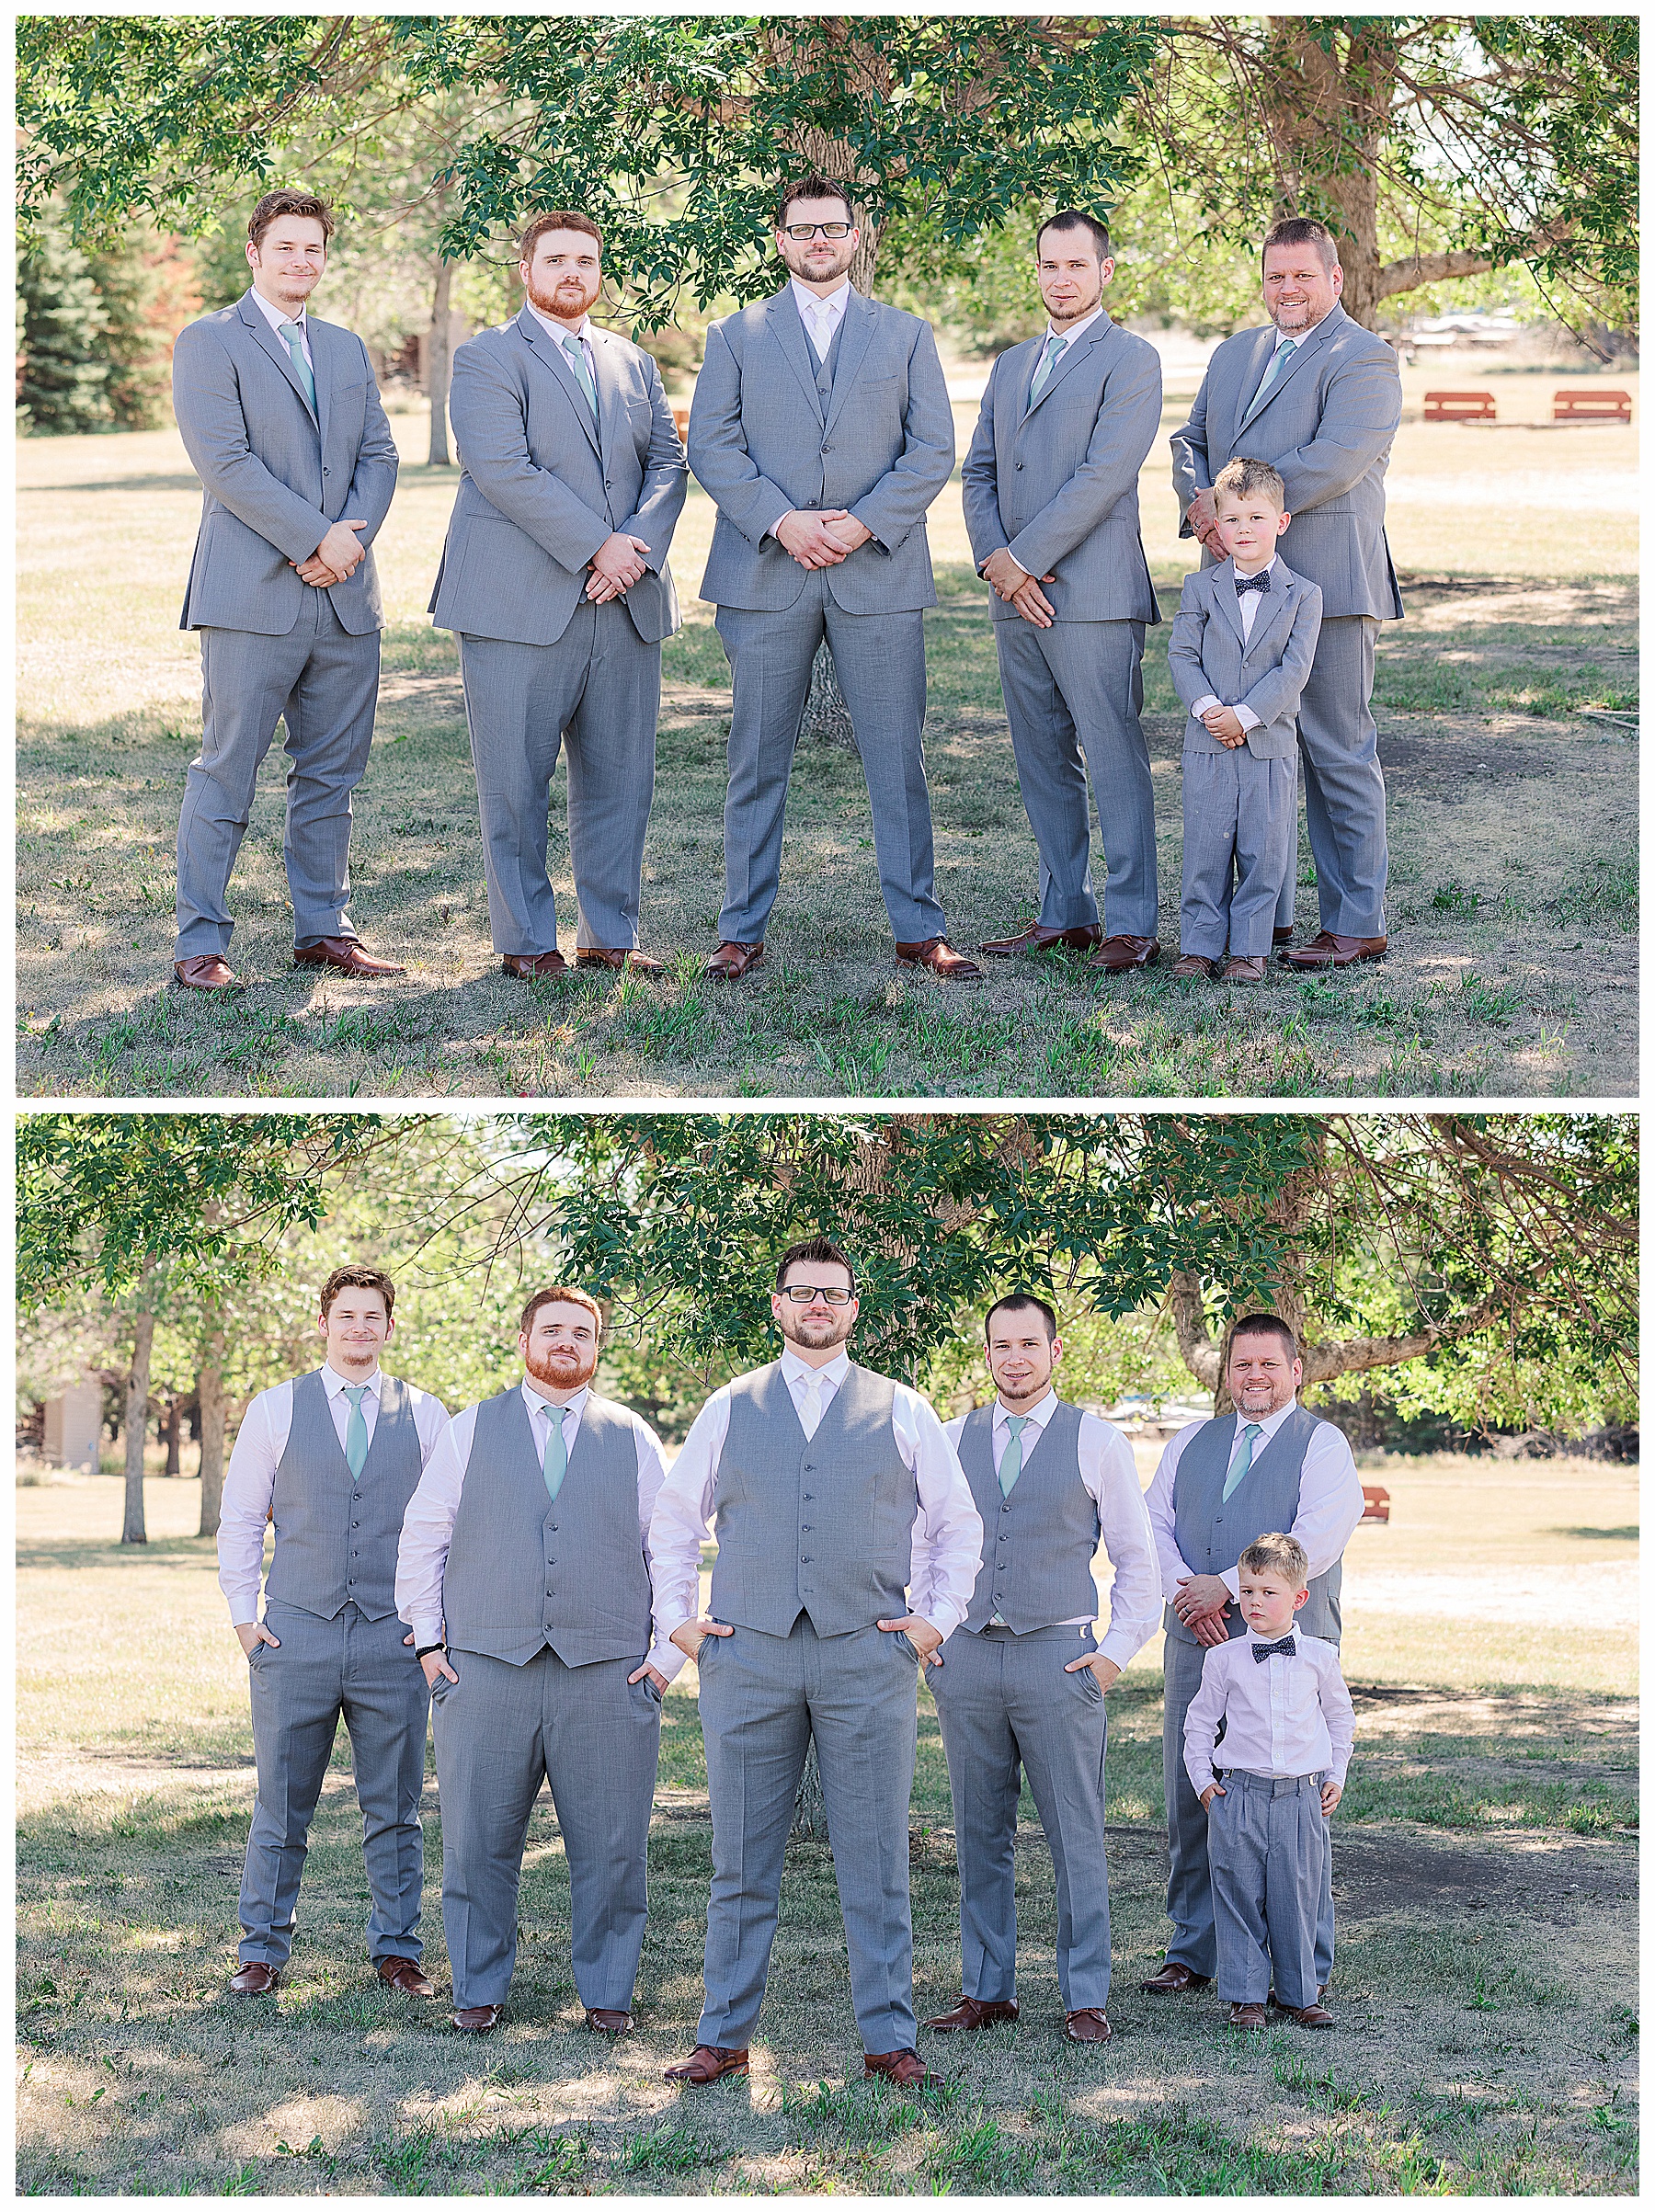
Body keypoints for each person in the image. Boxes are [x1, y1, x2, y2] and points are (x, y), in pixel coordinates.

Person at [651, 1237, 983, 2090]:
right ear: (778, 1306)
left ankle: (888, 2038)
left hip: (866, 1658)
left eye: (832, 1294)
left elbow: (958, 1526)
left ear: (854, 1308)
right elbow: (673, 1520)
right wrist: (678, 1623)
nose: (818, 1307)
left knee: (875, 1856)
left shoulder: (903, 1409)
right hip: (747, 1656)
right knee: (741, 1857)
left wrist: (933, 1624)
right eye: (802, 1293)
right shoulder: (729, 1405)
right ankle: (721, 2035)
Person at [687, 176, 980, 984]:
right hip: (765, 569)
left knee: (898, 758)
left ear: (857, 237)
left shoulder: (907, 335)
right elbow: (712, 447)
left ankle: (919, 928)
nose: (819, 241)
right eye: (802, 229)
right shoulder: (735, 336)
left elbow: (930, 451)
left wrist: (859, 523)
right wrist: (784, 521)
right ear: (778, 240)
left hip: (876, 569)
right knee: (755, 758)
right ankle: (741, 928)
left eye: (833, 228)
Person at [394, 1287, 675, 2034]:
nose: (567, 1343)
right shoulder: (470, 1430)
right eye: (552, 1330)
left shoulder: (633, 1437)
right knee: (479, 1841)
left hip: (608, 1674)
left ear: (596, 1347)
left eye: (582, 1333)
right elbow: (424, 1536)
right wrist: (428, 1641)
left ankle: (609, 1993)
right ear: (523, 1340)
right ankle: (478, 1990)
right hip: (485, 1669)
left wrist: (666, 1655)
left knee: (613, 1846)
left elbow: (670, 1549)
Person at [431, 212, 687, 979]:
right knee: (514, 781)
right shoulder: (485, 358)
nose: (572, 272)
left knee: (620, 779)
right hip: (518, 603)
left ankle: (609, 936)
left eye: (585, 260)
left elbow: (668, 464)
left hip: (625, 600)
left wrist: (632, 552)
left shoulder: (633, 362)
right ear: (526, 269)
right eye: (556, 260)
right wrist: (596, 546)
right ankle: (525, 943)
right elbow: (504, 469)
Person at [171, 188, 403, 991]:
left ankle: (323, 930)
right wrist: (317, 537)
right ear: (254, 254)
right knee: (227, 768)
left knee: (333, 772)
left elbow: (380, 455)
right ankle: (200, 942)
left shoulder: (344, 346)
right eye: (286, 248)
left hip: (345, 592)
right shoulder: (208, 342)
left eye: (314, 249)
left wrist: (351, 540)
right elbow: (226, 465)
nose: (301, 262)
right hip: (251, 593)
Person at [1170, 215, 1403, 969]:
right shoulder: (1237, 352)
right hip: (1235, 586)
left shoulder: (1366, 358)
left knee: (1336, 750)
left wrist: (1232, 504)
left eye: (1304, 275)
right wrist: (1200, 502)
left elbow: (1336, 458)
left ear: (1335, 279)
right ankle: (1267, 918)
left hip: (1331, 581)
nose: (1289, 289)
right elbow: (1191, 439)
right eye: (1276, 276)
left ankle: (1357, 923)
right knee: (1259, 750)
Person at [929, 1294, 1159, 2044]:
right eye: (1001, 1346)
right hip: (965, 1658)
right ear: (986, 1353)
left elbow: (1136, 1559)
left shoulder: (1097, 1442)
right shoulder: (949, 1437)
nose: (1015, 1358)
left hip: (1060, 1659)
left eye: (1029, 1344)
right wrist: (929, 1639)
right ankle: (987, 1989)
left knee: (1075, 1832)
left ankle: (1086, 1995)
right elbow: (915, 1543)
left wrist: (1114, 1656)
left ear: (1055, 1352)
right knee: (978, 1830)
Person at [215, 1266, 450, 1997]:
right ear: (324, 1324)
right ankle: (262, 1951)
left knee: (396, 1808)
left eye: (371, 1317)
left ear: (388, 1325)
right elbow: (242, 1520)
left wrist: (430, 1629)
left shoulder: (429, 1414)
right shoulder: (275, 1409)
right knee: (281, 1804)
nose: (358, 1328)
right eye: (345, 1316)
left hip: (393, 1641)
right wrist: (246, 1621)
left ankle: (397, 1952)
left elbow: (447, 1530)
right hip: (296, 1637)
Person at [961, 211, 1165, 974]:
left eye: (1077, 265)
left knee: (1112, 755)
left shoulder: (1132, 359)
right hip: (1013, 594)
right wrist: (997, 563)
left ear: (1105, 271)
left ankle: (1135, 922)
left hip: (1094, 591)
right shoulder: (1011, 364)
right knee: (1041, 754)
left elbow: (1104, 476)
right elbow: (978, 471)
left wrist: (1026, 558)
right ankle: (1066, 911)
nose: (1062, 279)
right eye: (1049, 266)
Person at [1140, 1313, 1364, 2001]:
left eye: (1269, 1364)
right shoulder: (1190, 1442)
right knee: (1197, 1794)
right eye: (1242, 1365)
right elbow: (1150, 1525)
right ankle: (1194, 1948)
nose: (1255, 1376)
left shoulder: (1321, 1445)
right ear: (1226, 1372)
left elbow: (1317, 1538)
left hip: (1291, 1649)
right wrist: (1193, 1597)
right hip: (1198, 1644)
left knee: (1290, 1806)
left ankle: (1290, 1961)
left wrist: (1227, 1588)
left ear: (1296, 1370)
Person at [1183, 1532, 1354, 2030]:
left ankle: (1300, 1994)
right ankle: (1246, 1996)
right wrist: (1203, 1782)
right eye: (1248, 1591)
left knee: (1297, 1895)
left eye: (1269, 1592)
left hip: (1301, 1798)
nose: (1255, 1602)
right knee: (1238, 1892)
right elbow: (1198, 1724)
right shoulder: (1224, 1659)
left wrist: (1335, 1776)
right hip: (1239, 1795)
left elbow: (1340, 1721)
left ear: (1299, 1598)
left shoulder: (1320, 1658)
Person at [1167, 458, 1323, 983]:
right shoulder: (1199, 587)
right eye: (1232, 520)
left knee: (1263, 849)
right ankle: (1199, 946)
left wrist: (1247, 716)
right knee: (1206, 848)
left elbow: (1293, 670)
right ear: (1216, 525)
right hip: (1207, 740)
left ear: (1280, 523)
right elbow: (1182, 655)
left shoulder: (1304, 595)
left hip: (1268, 744)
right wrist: (1210, 709)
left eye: (1256, 519)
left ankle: (1251, 948)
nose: (1244, 530)